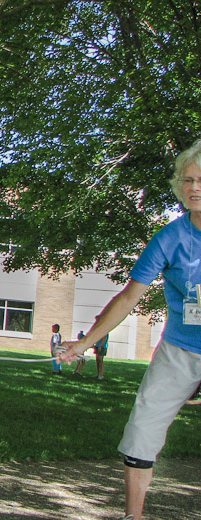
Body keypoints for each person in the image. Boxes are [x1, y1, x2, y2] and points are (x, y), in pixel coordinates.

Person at [60, 140, 201, 520]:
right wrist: (85, 343)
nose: (194, 188)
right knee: (141, 430)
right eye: (187, 179)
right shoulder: (170, 238)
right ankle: (133, 516)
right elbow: (127, 299)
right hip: (180, 351)